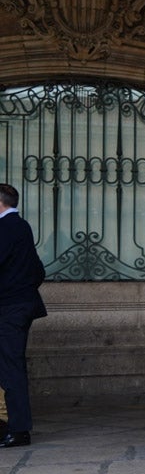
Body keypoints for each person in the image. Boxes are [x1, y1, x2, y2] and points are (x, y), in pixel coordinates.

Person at [0, 184, 47, 449]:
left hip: (10, 309)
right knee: (8, 366)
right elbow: (37, 271)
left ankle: (18, 430)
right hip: (20, 306)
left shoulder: (6, 228)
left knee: (10, 368)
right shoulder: (22, 226)